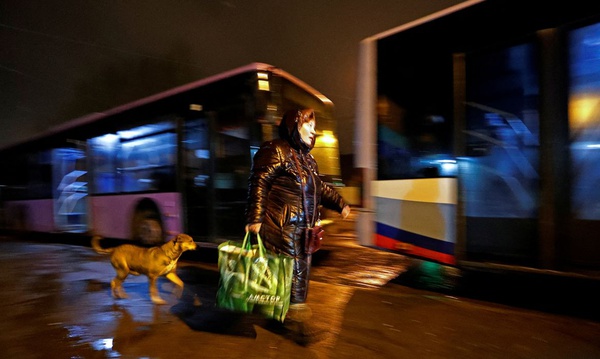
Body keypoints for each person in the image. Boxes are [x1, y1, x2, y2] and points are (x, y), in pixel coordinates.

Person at [245, 108, 350, 342]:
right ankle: (300, 326)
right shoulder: (276, 150)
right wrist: (255, 217)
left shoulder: (307, 159)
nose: (314, 131)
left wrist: (340, 203)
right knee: (295, 272)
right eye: (309, 125)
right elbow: (259, 183)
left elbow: (320, 188)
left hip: (303, 227)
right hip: (282, 225)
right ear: (295, 125)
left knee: (293, 271)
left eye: (314, 126)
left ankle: (278, 314)